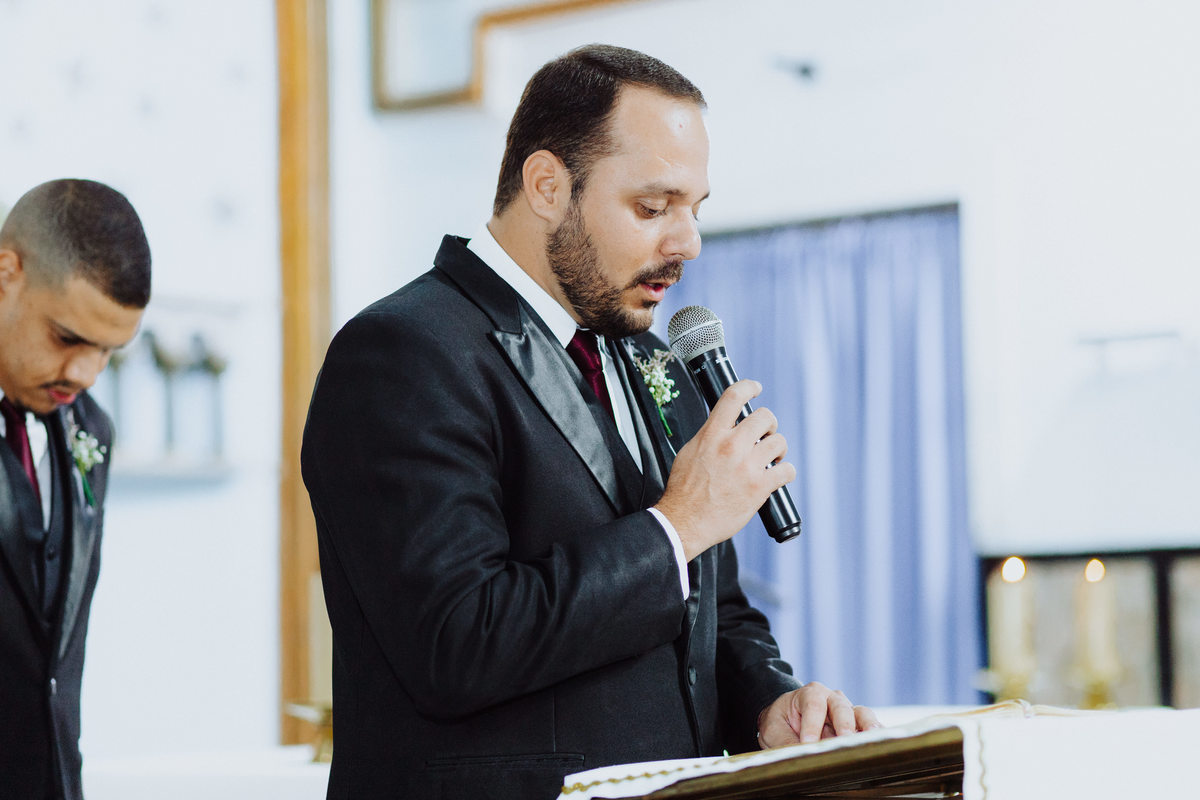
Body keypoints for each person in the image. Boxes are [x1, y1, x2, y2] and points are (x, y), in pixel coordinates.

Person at [302, 44, 877, 800]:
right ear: (547, 184)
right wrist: (675, 526)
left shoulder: (650, 357)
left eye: (694, 210)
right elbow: (457, 641)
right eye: (652, 207)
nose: (688, 243)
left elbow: (715, 607)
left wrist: (770, 703)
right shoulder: (403, 352)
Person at [0, 179, 150, 800]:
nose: (84, 375)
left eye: (109, 352)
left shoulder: (91, 430)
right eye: (68, 338)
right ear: (6, 272)